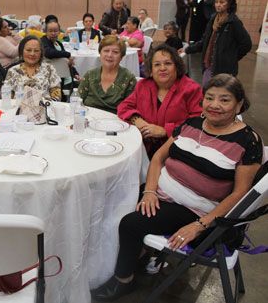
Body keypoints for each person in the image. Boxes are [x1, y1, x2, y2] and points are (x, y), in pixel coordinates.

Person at [92, 74, 262, 301]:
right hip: (161, 193)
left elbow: (240, 194)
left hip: (194, 208)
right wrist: (150, 190)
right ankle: (138, 256)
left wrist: (199, 225)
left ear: (239, 104)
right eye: (209, 98)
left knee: (130, 223)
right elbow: (158, 159)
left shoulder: (247, 141)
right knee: (112, 198)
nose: (214, 105)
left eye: (224, 100)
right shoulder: (191, 124)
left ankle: (123, 281)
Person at [117, 44, 203, 158]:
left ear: (176, 67)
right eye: (157, 64)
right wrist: (137, 120)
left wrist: (165, 131)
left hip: (176, 151)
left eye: (168, 63)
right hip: (143, 148)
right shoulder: (144, 86)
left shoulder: (191, 89)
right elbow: (124, 106)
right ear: (151, 70)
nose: (162, 68)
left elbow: (198, 123)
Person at [181, 0, 251, 86]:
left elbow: (246, 44)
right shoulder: (213, 19)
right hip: (209, 65)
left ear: (229, 4)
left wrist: (232, 58)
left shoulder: (233, 22)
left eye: (222, 2)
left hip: (224, 70)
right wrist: (187, 50)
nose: (218, 4)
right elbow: (205, 40)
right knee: (207, 92)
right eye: (217, 2)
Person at [78, 35, 136, 114]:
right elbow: (77, 103)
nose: (110, 55)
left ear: (121, 57)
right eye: (106, 51)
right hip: (89, 121)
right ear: (100, 53)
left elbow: (131, 110)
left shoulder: (128, 79)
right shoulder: (89, 76)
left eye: (115, 52)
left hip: (117, 123)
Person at [4, 36, 61, 101]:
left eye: (36, 51)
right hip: (18, 108)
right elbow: (7, 98)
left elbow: (57, 96)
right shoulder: (13, 71)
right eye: (28, 50)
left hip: (44, 108)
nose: (32, 54)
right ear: (21, 51)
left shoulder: (49, 69)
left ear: (41, 53)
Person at [41, 21, 80, 87]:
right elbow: (48, 52)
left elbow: (68, 61)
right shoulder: (43, 41)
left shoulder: (59, 43)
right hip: (56, 80)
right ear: (46, 32)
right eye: (50, 31)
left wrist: (75, 73)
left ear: (59, 32)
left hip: (68, 77)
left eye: (55, 31)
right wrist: (68, 54)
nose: (53, 33)